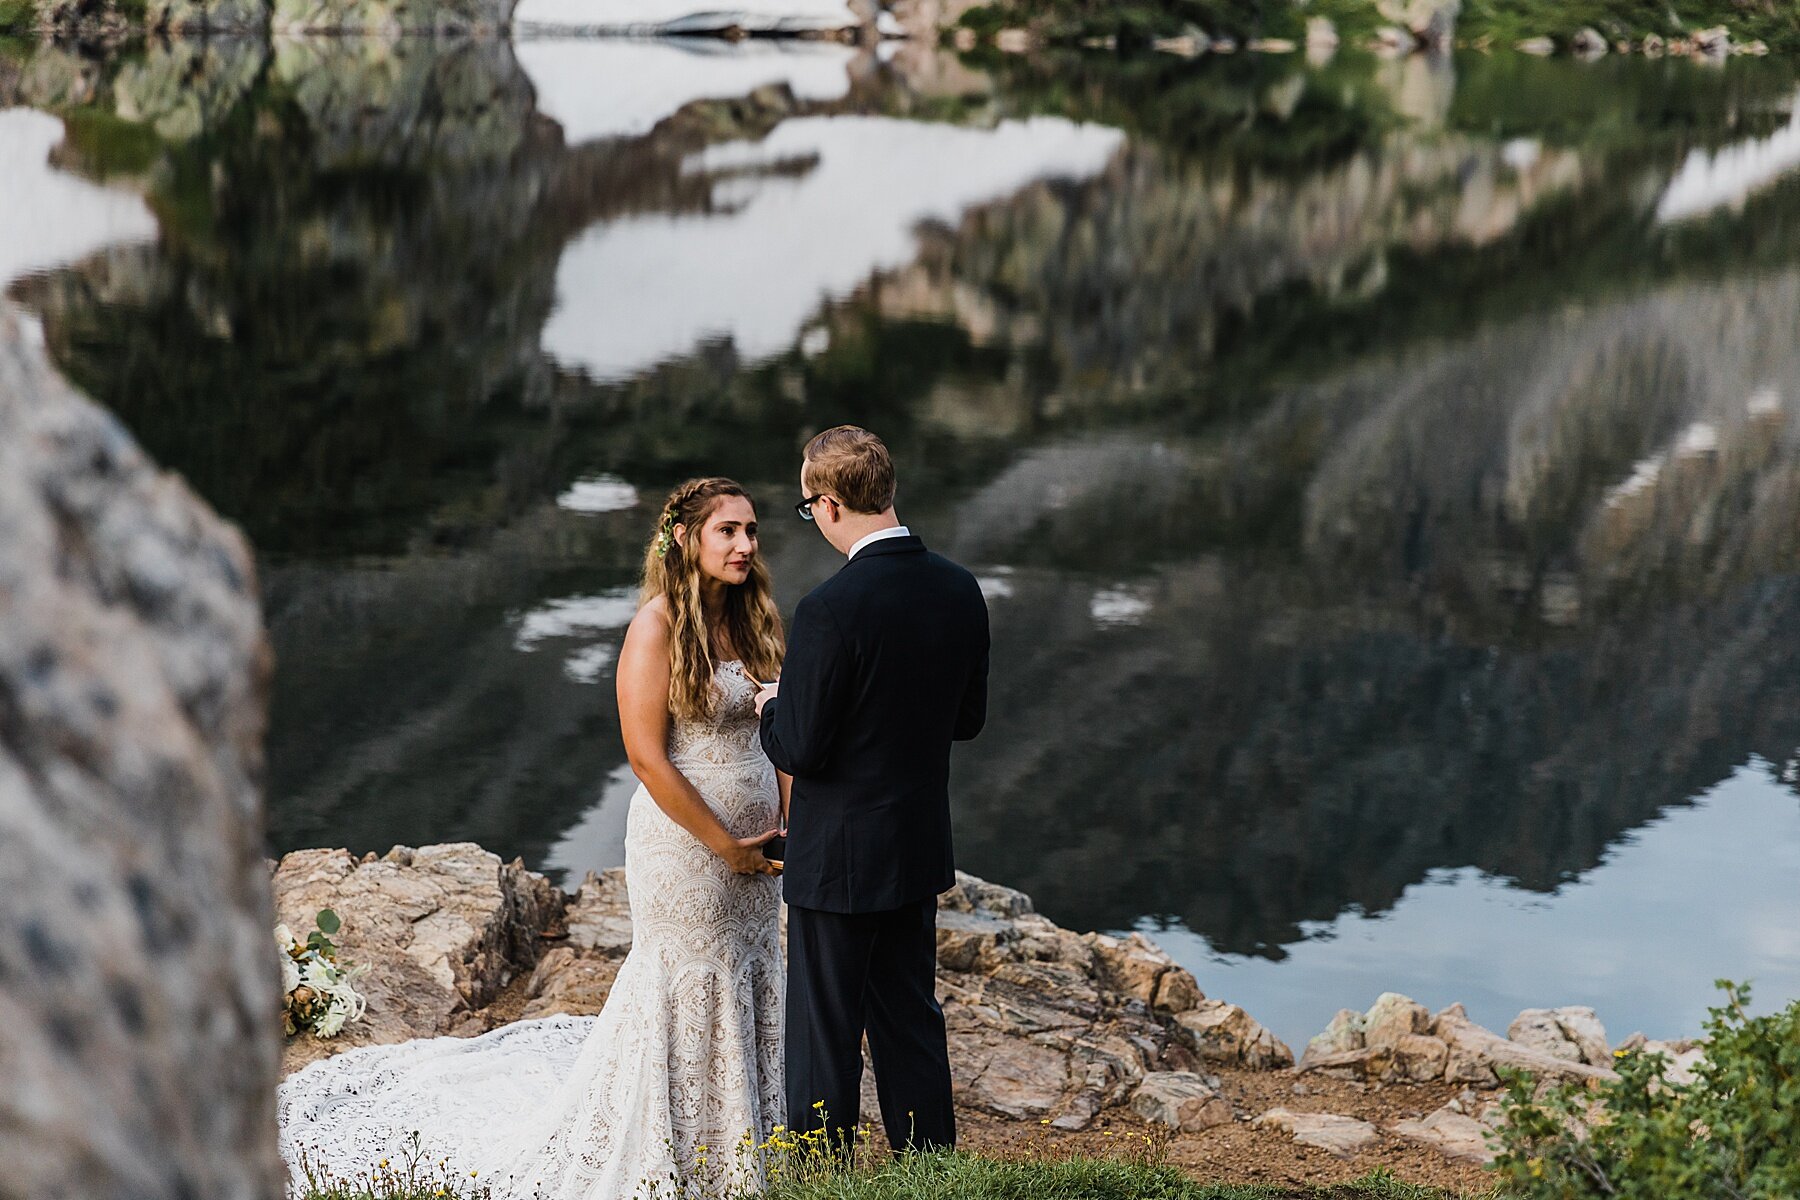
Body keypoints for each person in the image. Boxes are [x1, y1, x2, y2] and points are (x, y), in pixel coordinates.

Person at [276, 477, 789, 1200]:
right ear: (686, 538)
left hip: (761, 852)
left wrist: (786, 822)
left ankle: (748, 1152)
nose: (745, 544)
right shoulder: (657, 625)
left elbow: (784, 732)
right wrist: (724, 844)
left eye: (752, 530)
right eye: (727, 531)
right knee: (686, 983)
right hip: (688, 853)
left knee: (750, 975)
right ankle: (676, 1158)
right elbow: (646, 756)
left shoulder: (758, 618)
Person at [757, 425, 990, 1156]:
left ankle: (823, 1175)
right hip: (914, 846)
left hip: (837, 857)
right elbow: (969, 721)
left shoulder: (832, 607)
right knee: (909, 1019)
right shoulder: (958, 587)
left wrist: (772, 704)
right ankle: (929, 1169)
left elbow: (800, 746)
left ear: (827, 505)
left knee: (825, 1026)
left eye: (806, 508)